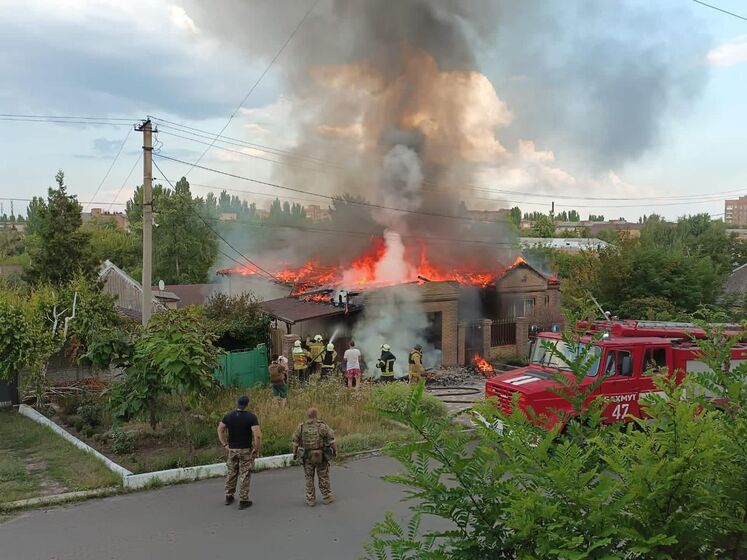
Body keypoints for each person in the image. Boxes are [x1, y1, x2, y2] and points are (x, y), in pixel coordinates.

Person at [217, 395, 262, 510]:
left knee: (232, 472)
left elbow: (220, 429)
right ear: (247, 404)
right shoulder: (251, 417)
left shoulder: (228, 416)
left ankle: (229, 495)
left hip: (232, 449)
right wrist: (256, 449)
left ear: (237, 404)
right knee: (245, 474)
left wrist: (225, 444)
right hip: (245, 449)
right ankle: (243, 499)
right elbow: (257, 435)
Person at [292, 408, 337, 507]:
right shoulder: (322, 426)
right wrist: (335, 451)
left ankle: (310, 499)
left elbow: (295, 442)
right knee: (323, 476)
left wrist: (294, 454)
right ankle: (326, 497)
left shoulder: (301, 427)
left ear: (308, 416)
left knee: (309, 477)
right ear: (316, 415)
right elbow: (332, 440)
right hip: (320, 456)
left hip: (307, 457)